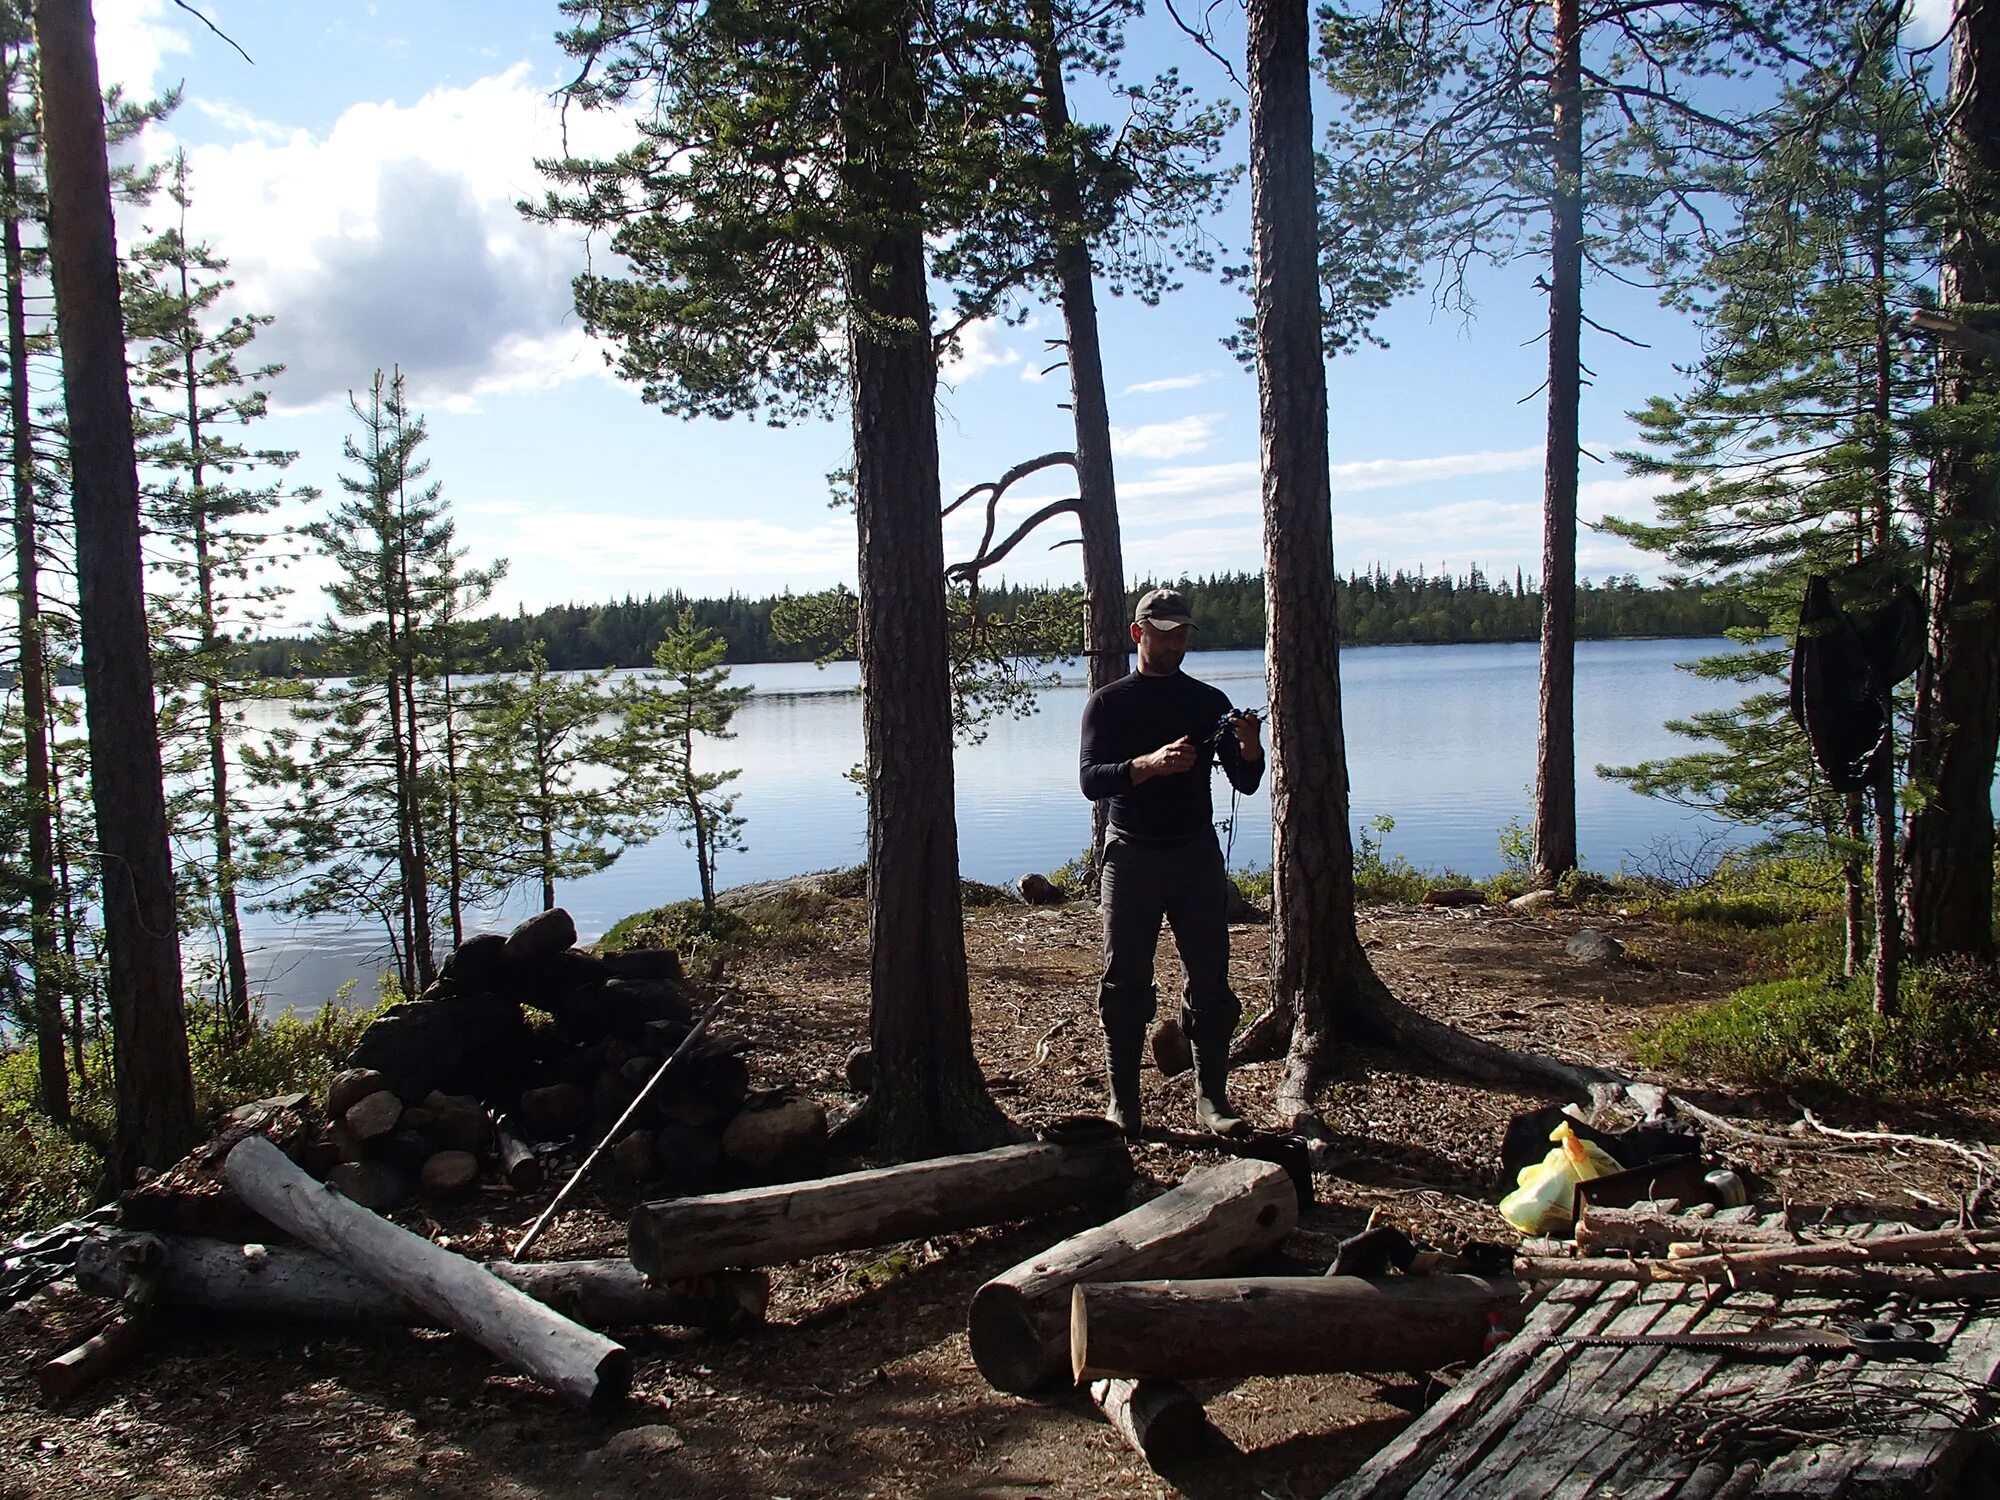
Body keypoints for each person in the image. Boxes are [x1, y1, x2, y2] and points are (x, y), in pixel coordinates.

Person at [1079, 587, 1264, 1138]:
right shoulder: (1109, 703)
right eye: (1164, 632)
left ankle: (1211, 1099)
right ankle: (1124, 1103)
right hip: (1130, 855)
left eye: (1182, 632)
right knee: (1124, 983)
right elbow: (1091, 780)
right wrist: (1147, 765)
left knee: (1210, 980)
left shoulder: (1208, 701)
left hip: (1194, 855)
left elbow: (1247, 781)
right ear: (1139, 634)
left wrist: (1250, 745)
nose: (1175, 641)